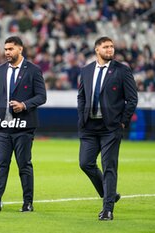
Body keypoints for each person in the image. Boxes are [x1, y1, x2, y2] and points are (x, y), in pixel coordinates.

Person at [0, 36, 47, 212]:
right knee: (1, 164)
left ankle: (28, 203)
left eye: (10, 49)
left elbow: (42, 96)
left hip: (23, 126)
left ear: (20, 49)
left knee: (24, 164)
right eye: (5, 49)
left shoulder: (33, 70)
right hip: (2, 127)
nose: (7, 52)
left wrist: (24, 105)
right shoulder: (0, 70)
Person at [78, 36, 138, 220]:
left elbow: (132, 99)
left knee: (109, 166)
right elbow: (82, 96)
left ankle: (108, 209)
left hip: (111, 127)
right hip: (89, 126)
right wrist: (82, 117)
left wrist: (122, 121)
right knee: (85, 163)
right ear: (97, 49)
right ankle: (109, 194)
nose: (110, 50)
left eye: (112, 47)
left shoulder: (122, 70)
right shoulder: (86, 70)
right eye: (106, 47)